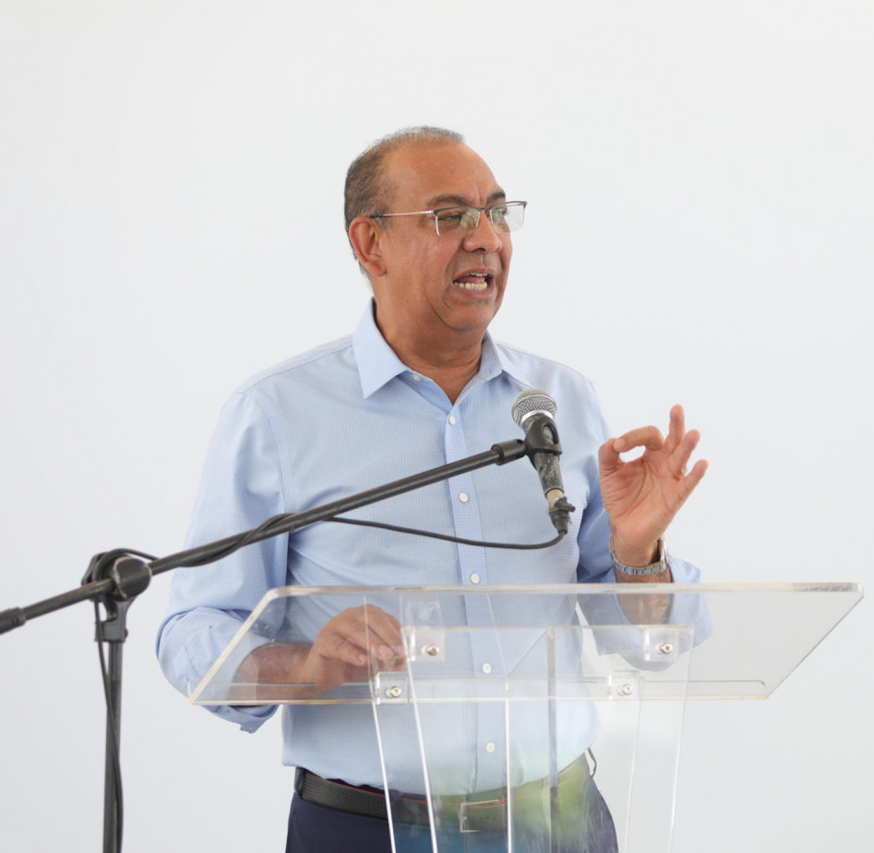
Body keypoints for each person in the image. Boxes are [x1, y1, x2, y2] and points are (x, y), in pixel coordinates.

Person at [157, 127, 708, 852]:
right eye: (450, 217)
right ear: (371, 244)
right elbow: (193, 633)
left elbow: (648, 645)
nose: (486, 239)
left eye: (497, 213)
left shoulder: (562, 402)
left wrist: (638, 556)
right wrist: (307, 665)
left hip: (561, 823)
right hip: (369, 830)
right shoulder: (279, 415)